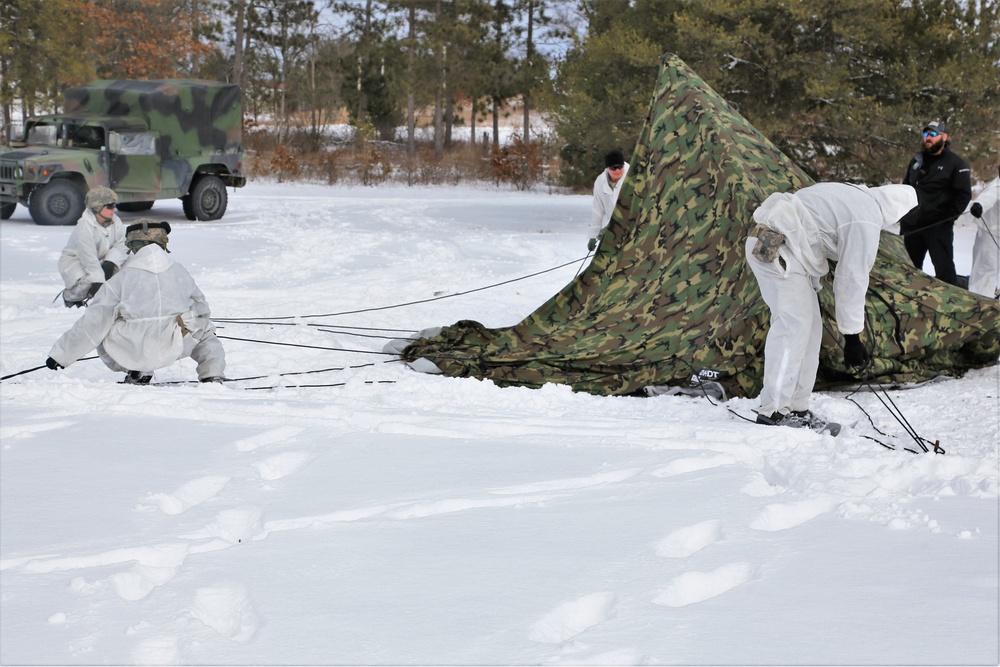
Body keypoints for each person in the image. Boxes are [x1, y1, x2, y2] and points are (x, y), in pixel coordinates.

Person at [746, 182, 918, 429]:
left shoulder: (855, 195)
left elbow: (812, 232)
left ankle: (797, 407)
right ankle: (774, 411)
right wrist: (852, 338)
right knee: (793, 330)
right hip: (774, 247)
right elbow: (851, 280)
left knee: (811, 331)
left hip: (780, 248)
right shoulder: (866, 219)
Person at [46, 219, 226, 385]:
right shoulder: (180, 272)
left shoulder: (120, 280)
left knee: (102, 328)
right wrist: (192, 322)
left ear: (132, 246)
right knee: (206, 330)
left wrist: (60, 356)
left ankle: (136, 371)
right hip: (174, 344)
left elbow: (92, 323)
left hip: (132, 350)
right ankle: (212, 374)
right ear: (162, 242)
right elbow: (202, 308)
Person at [899, 120, 972, 286]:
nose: (928, 138)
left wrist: (946, 219)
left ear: (944, 137)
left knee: (944, 270)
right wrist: (904, 215)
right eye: (926, 134)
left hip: (937, 227)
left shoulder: (956, 164)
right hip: (912, 225)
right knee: (908, 270)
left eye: (933, 134)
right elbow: (906, 187)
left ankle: (951, 303)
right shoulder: (917, 160)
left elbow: (963, 195)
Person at [57, 186, 128, 307]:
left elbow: (122, 243)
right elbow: (88, 257)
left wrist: (110, 263)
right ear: (97, 207)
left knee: (128, 267)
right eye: (110, 206)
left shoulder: (116, 221)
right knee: (88, 281)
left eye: (114, 205)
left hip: (102, 258)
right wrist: (98, 279)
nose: (114, 210)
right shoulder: (84, 227)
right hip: (76, 260)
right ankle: (70, 297)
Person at [587, 149, 631, 251]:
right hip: (612, 234)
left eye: (620, 167)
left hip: (634, 231)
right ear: (607, 168)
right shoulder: (600, 183)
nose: (617, 171)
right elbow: (597, 210)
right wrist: (594, 235)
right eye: (613, 168)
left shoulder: (633, 178)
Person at [966, 173, 1000, 298]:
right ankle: (981, 302)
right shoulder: (998, 185)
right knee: (986, 269)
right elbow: (990, 195)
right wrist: (979, 205)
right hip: (991, 233)